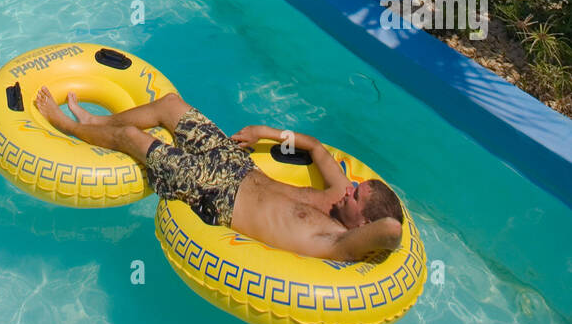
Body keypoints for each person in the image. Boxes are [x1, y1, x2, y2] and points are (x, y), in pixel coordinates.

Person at [34, 88, 404, 262]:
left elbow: (392, 232)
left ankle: (66, 124)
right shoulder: (338, 192)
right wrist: (266, 132)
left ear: (364, 224)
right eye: (354, 187)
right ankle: (96, 120)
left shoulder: (339, 241)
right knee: (170, 105)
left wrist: (382, 223)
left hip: (219, 195)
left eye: (356, 197)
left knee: (134, 139)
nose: (348, 191)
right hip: (238, 165)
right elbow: (318, 148)